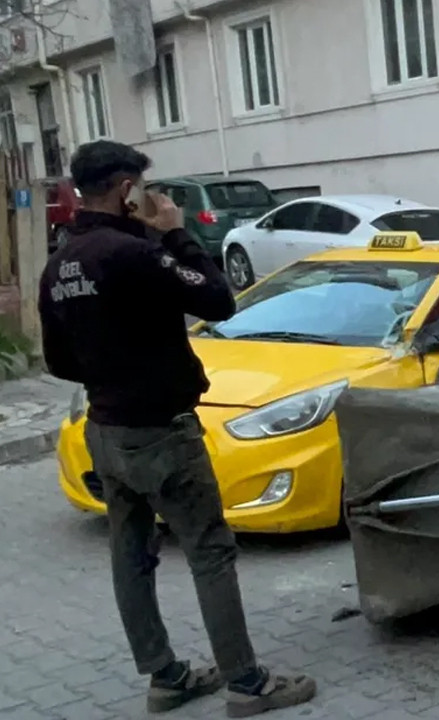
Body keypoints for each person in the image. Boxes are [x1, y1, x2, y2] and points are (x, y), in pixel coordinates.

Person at [37, 141, 317, 716]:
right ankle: (247, 684)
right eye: (142, 185)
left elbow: (59, 362)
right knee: (210, 553)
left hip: (106, 429)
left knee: (131, 555)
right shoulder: (132, 254)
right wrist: (172, 233)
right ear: (124, 189)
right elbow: (219, 300)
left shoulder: (61, 261)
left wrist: (110, 368)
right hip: (162, 432)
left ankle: (165, 677)